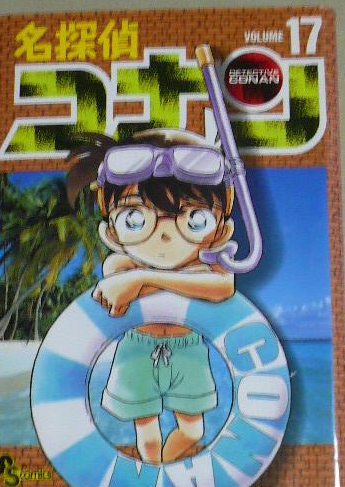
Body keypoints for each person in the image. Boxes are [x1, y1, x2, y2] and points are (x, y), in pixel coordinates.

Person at [66, 129, 235, 464]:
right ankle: (154, 473)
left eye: (194, 218)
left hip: (189, 350)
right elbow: (117, 283)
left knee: (193, 432)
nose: (165, 234)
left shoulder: (141, 271)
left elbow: (224, 287)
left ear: (220, 231)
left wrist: (143, 278)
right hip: (137, 351)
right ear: (111, 231)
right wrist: (185, 279)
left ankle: (160, 468)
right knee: (147, 435)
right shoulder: (120, 263)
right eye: (135, 218)